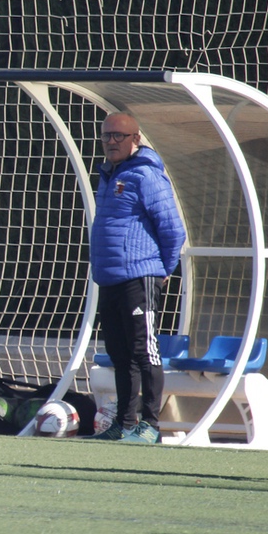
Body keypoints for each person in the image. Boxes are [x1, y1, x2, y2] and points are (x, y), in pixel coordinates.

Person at [88, 112, 186, 444]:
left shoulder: (146, 176)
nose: (111, 141)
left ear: (135, 139)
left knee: (146, 351)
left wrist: (163, 271)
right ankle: (125, 424)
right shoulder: (108, 175)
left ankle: (151, 426)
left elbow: (173, 230)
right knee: (119, 353)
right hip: (110, 279)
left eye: (119, 136)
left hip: (139, 276)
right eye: (106, 136)